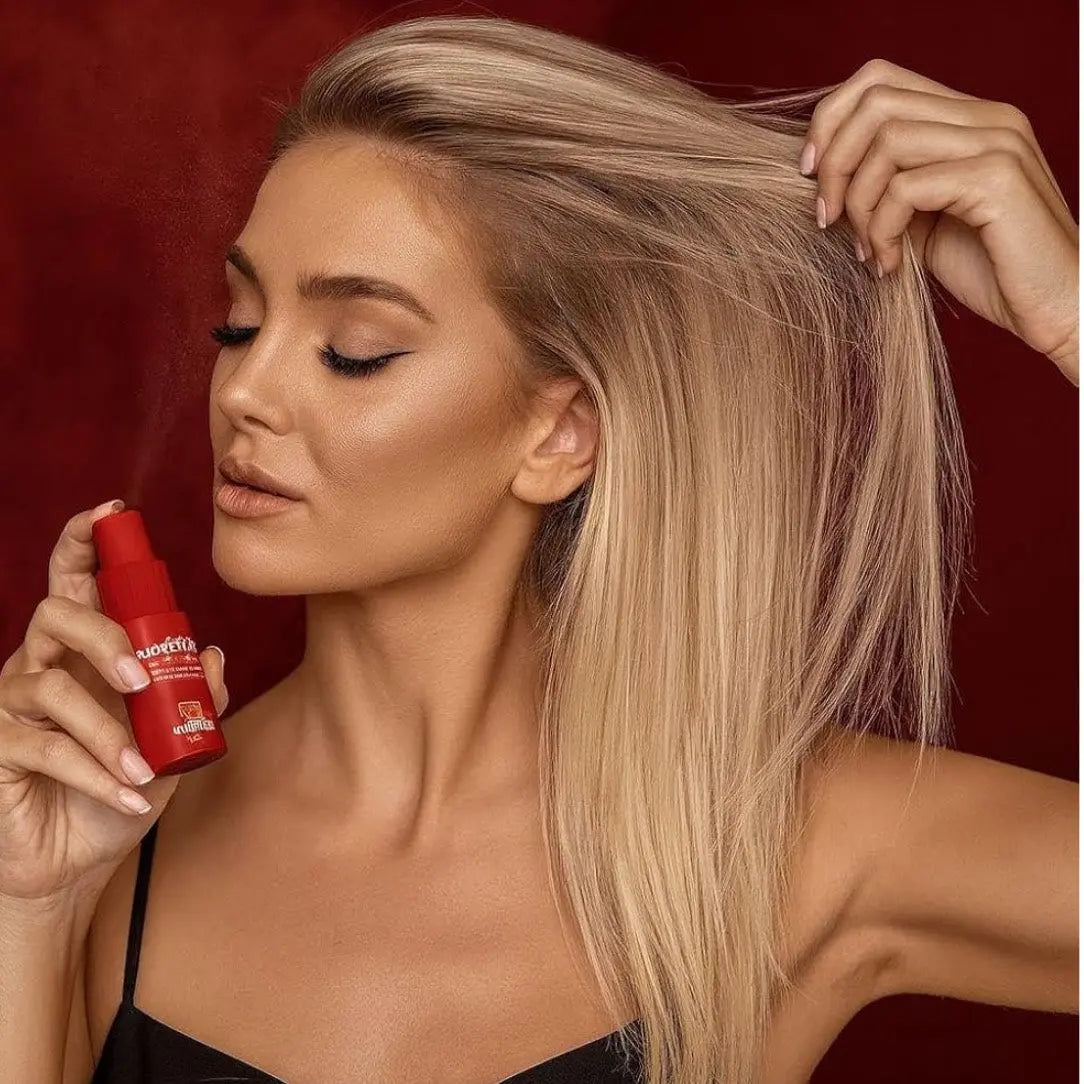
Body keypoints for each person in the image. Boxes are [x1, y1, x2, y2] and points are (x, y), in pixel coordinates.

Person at [0, 14, 1077, 1084]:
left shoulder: (786, 840)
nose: (242, 391)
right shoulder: (114, 841)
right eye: (238, 324)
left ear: (559, 435)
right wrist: (30, 905)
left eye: (353, 351)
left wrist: (1072, 314)